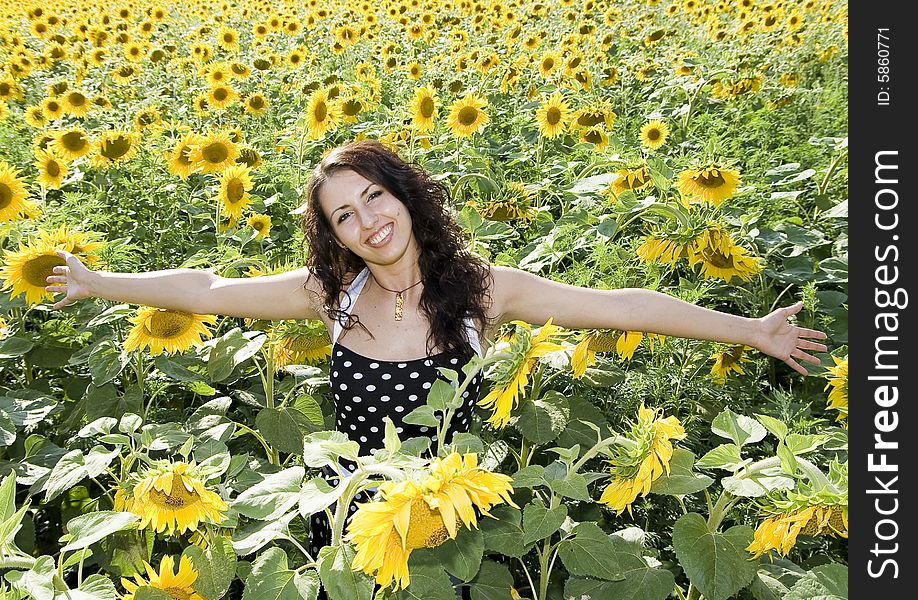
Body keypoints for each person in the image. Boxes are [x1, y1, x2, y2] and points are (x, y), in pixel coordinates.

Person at [45, 139, 827, 595]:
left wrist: (750, 328)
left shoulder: (483, 293)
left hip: (449, 522)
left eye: (375, 197)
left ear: (407, 197)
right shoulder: (332, 296)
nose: (367, 220)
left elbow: (624, 305)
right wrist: (94, 282)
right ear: (335, 236)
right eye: (343, 214)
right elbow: (207, 289)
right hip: (348, 516)